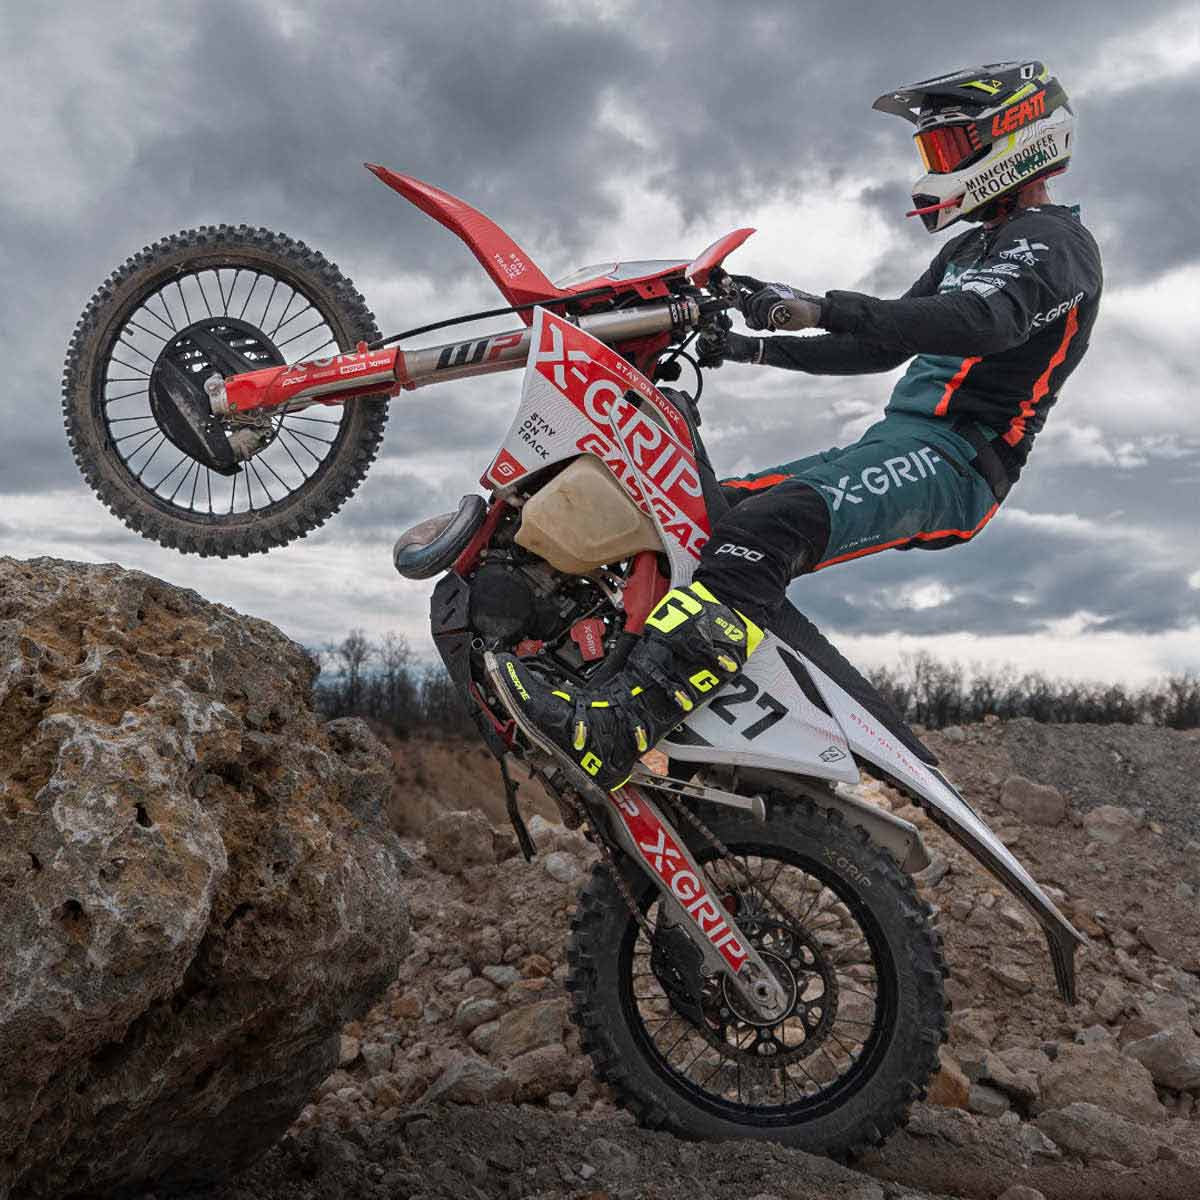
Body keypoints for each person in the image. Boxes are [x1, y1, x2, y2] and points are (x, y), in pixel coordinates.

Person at [493, 60, 1103, 792]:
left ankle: (623, 726)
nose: (939, 166)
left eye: (951, 146)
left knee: (768, 527)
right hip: (897, 443)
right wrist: (749, 345)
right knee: (701, 513)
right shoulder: (968, 249)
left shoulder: (1055, 244)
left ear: (1019, 138)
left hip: (959, 463)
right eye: (934, 151)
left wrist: (823, 305)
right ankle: (630, 686)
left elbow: (983, 321)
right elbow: (878, 347)